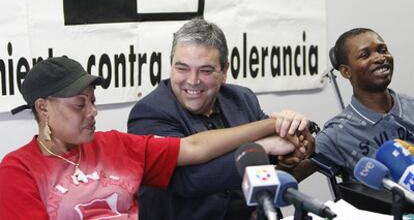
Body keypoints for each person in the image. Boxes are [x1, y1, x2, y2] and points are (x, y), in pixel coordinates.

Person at [0, 56, 300, 219]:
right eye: (80, 104)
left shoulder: (116, 145)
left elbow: (194, 148)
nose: (92, 112)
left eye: (93, 101)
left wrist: (269, 129)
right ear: (43, 107)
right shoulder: (18, 170)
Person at [127, 18, 315, 220]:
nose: (192, 80)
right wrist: (262, 146)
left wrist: (296, 144)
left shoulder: (242, 99)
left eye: (205, 70)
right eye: (182, 68)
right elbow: (190, 180)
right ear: (171, 65)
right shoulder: (149, 112)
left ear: (224, 71)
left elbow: (273, 155)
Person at [315, 28, 414, 177]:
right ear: (346, 71)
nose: (380, 58)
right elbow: (285, 177)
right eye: (365, 55)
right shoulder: (337, 134)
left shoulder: (410, 105)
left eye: (382, 50)